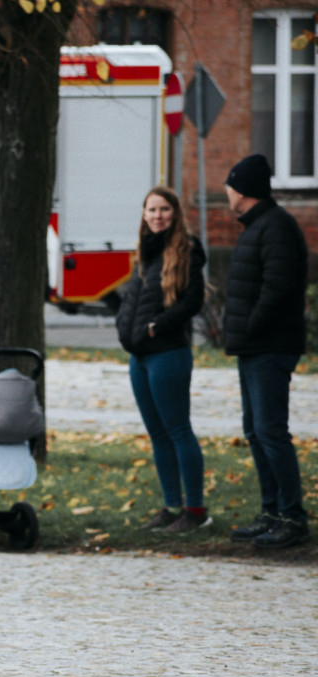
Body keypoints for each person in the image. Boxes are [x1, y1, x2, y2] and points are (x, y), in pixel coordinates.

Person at [223, 153, 311, 549]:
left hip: (269, 346)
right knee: (255, 431)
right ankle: (271, 511)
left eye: (229, 184)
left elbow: (276, 290)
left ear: (241, 190)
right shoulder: (258, 225)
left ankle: (292, 517)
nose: (225, 191)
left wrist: (250, 327)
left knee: (271, 431)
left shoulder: (275, 227)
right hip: (253, 346)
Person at [116, 186, 209, 533]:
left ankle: (195, 511)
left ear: (175, 213)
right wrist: (124, 326)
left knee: (178, 431)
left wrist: (159, 326)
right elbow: (133, 299)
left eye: (164, 209)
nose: (158, 216)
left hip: (168, 354)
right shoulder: (146, 251)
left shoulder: (186, 249)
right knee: (157, 434)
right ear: (144, 214)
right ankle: (171, 507)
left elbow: (193, 301)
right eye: (152, 210)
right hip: (139, 357)